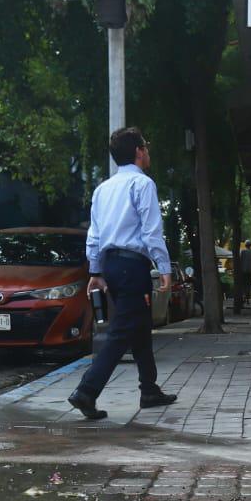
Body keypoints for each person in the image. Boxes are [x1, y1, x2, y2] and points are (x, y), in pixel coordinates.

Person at [70, 127, 177, 421]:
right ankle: (86, 391)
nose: (148, 151)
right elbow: (151, 232)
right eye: (146, 146)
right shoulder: (142, 184)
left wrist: (95, 270)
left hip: (112, 267)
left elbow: (94, 235)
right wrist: (164, 267)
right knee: (121, 332)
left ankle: (149, 389)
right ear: (139, 151)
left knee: (139, 326)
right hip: (132, 266)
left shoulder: (102, 189)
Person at [235, 240, 251, 314]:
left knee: (244, 285)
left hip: (243, 271)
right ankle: (247, 299)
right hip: (250, 271)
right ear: (250, 245)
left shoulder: (243, 252)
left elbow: (240, 261)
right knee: (248, 285)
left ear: (245, 245)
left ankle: (244, 297)